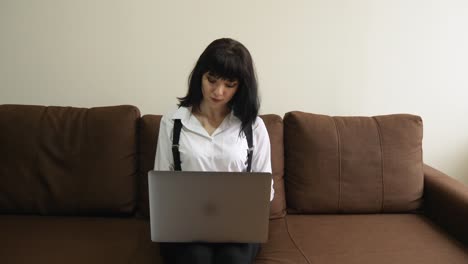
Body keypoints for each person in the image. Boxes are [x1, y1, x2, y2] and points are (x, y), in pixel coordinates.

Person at [153, 38, 274, 264]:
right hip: (185, 225)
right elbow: (161, 183)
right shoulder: (173, 121)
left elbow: (265, 190)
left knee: (232, 259)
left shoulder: (253, 126)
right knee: (196, 258)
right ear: (200, 75)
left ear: (241, 86)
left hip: (238, 228)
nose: (218, 91)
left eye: (230, 85)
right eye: (212, 80)